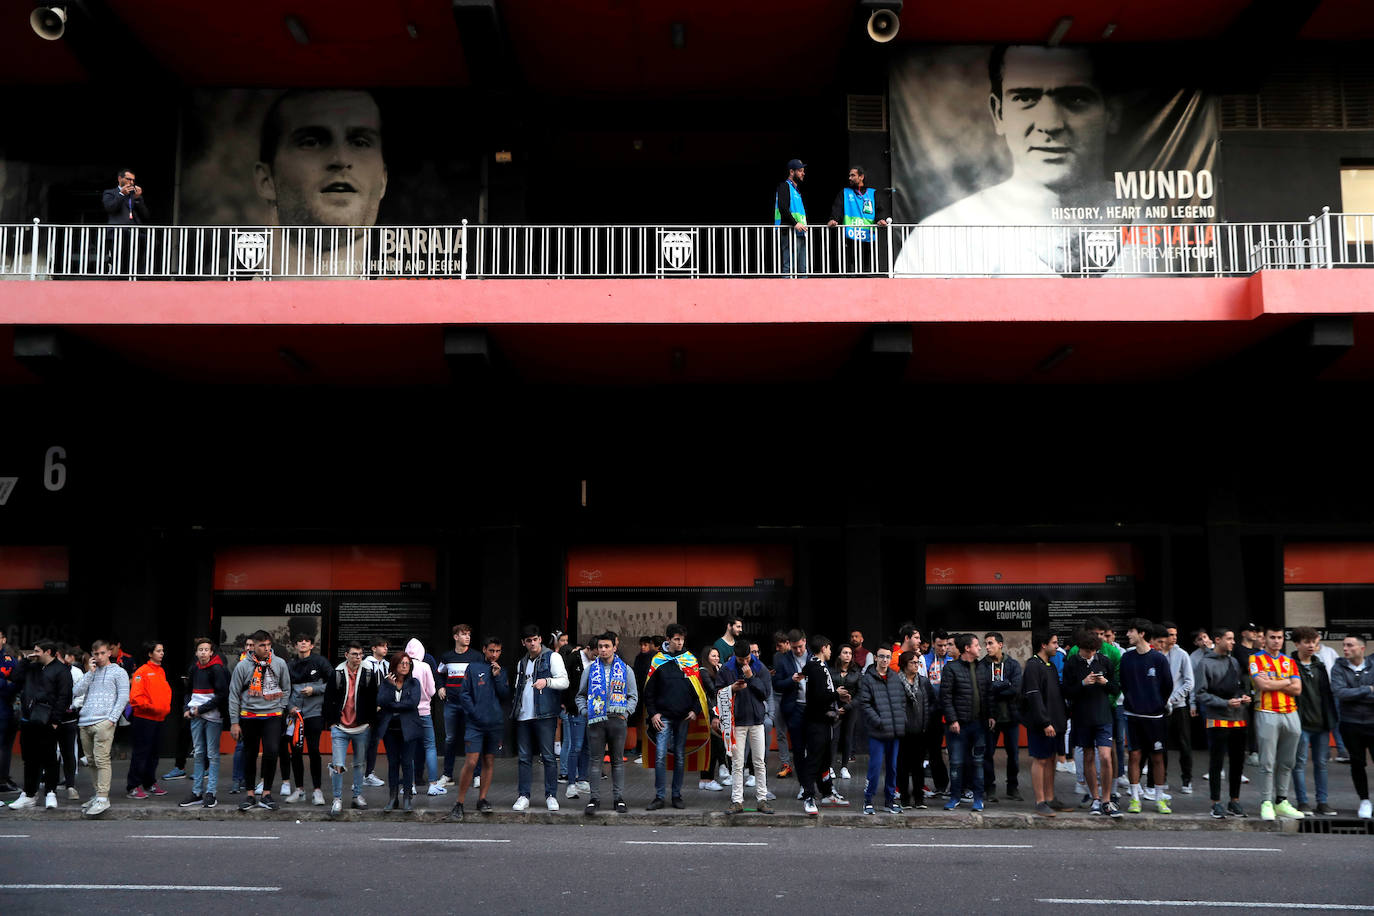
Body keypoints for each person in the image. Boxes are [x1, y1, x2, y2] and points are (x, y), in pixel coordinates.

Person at [894, 45, 1125, 276]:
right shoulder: (937, 240)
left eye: (1075, 99)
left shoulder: (1153, 221)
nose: (1050, 124)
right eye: (1025, 98)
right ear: (998, 113)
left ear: (1112, 111)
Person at [643, 623, 710, 809]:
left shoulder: (690, 660)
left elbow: (699, 690)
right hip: (663, 716)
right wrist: (653, 713)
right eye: (676, 639)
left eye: (682, 640)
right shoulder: (657, 660)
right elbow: (649, 691)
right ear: (668, 640)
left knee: (680, 756)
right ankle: (659, 796)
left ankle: (676, 795)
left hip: (683, 717)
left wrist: (695, 710)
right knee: (660, 756)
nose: (680, 643)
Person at [229, 629, 291, 811]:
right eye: (261, 645)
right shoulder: (242, 666)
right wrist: (234, 722)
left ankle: (266, 794)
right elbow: (233, 694)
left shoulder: (279, 663)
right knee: (250, 754)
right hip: (249, 716)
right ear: (253, 646)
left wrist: (281, 707)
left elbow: (286, 688)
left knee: (272, 752)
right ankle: (249, 795)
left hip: (272, 716)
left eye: (268, 645)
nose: (265, 648)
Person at [577, 633, 639, 815]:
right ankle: (594, 799)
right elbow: (580, 694)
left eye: (607, 646)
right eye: (600, 646)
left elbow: (633, 695)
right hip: (596, 720)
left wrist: (626, 713)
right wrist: (585, 712)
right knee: (595, 761)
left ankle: (618, 798)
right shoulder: (590, 670)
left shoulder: (625, 669)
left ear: (614, 648)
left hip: (617, 720)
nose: (603, 650)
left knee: (617, 761)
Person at [1193, 628, 1252, 818]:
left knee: (1237, 762)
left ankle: (1234, 801)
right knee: (1216, 762)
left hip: (1238, 717)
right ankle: (1215, 802)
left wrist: (1243, 697)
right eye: (1229, 639)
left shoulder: (1234, 661)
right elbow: (1200, 694)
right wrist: (1224, 702)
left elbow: (1237, 687)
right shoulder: (1204, 663)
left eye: (1234, 639)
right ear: (1217, 640)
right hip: (1216, 718)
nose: (1233, 642)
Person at [450, 636, 510, 821]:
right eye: (491, 650)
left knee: (489, 762)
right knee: (471, 762)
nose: (494, 654)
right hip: (475, 724)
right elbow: (464, 694)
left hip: (494, 724)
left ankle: (482, 798)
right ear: (484, 649)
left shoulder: (501, 671)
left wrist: (498, 677)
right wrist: (475, 714)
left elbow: (505, 695)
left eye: (498, 651)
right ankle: (459, 802)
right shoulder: (473, 668)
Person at [8, 641, 73, 810]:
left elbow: (64, 697)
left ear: (48, 651)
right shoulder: (32, 667)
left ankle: (51, 792)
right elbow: (15, 677)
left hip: (48, 721)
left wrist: (55, 722)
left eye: (37, 651)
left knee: (50, 758)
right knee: (29, 759)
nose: (34, 654)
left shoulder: (62, 670)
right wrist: (25, 660)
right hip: (28, 720)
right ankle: (30, 794)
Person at [1063, 629, 1121, 818]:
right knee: (1088, 756)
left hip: (1103, 715)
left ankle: (1106, 799)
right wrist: (1082, 683)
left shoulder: (1104, 661)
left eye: (1094, 651)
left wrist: (1104, 682)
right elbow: (1066, 691)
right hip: (1082, 716)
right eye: (1088, 651)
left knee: (1105, 756)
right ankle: (1095, 798)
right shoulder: (1071, 663)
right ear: (1081, 648)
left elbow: (1116, 689)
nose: (1091, 654)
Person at [1250, 626, 1305, 821]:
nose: (1276, 641)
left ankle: (1281, 801)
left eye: (1279, 637)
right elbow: (1262, 685)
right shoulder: (1255, 659)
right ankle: (1266, 801)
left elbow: (1298, 689)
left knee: (1288, 761)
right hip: (1267, 712)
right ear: (1264, 639)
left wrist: (1275, 680)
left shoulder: (1289, 661)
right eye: (1272, 637)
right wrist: (1285, 681)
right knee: (1267, 761)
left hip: (1291, 712)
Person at [512, 625, 568, 812]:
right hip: (523, 715)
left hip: (545, 714)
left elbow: (564, 681)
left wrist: (547, 681)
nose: (533, 643)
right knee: (524, 758)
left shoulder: (552, 656)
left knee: (549, 756)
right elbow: (517, 688)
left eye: (535, 639)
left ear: (540, 639)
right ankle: (523, 795)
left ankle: (551, 795)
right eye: (529, 640)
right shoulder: (521, 662)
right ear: (523, 643)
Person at [1119, 620, 1174, 814]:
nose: (1127, 634)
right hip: (1133, 715)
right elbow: (1124, 683)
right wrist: (1133, 701)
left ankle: (1159, 798)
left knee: (1157, 757)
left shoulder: (1158, 659)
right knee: (1134, 755)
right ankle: (1135, 798)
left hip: (1155, 716)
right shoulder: (1126, 658)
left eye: (1131, 631)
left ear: (1141, 634)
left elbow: (1168, 685)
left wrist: (1158, 703)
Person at [71, 640, 128, 817]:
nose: (99, 657)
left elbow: (124, 696)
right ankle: (97, 795)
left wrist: (112, 719)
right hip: (85, 720)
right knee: (91, 761)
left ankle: (103, 797)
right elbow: (76, 691)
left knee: (102, 759)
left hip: (104, 721)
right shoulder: (91, 672)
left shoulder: (119, 671)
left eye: (102, 653)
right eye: (96, 654)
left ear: (109, 652)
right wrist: (89, 672)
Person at [322, 641, 379, 816]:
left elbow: (373, 698)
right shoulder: (337, 673)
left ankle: (357, 795)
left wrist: (369, 722)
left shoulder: (368, 673)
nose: (358, 657)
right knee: (338, 764)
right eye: (354, 654)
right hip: (340, 726)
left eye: (360, 654)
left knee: (359, 764)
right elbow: (328, 698)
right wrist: (331, 722)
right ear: (346, 655)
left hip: (361, 726)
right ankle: (337, 799)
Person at [716, 640, 771, 814]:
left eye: (748, 658)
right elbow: (718, 692)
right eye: (742, 660)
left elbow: (765, 693)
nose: (746, 662)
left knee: (759, 762)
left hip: (756, 720)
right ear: (735, 657)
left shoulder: (760, 667)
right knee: (737, 763)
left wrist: (751, 678)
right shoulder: (727, 669)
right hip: (737, 721)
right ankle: (737, 800)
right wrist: (732, 688)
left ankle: (762, 799)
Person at [1289, 626, 1339, 816]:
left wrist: (1331, 720)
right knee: (1299, 763)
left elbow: (1327, 694)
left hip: (1321, 722)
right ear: (1297, 644)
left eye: (1314, 642)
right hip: (1300, 722)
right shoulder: (1290, 664)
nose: (1311, 646)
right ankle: (1302, 802)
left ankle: (1322, 802)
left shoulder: (1319, 665)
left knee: (1321, 763)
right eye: (1307, 642)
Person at [1021, 630, 1070, 817]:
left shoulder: (1049, 665)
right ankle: (1040, 801)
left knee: (1050, 759)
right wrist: (1044, 722)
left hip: (1054, 723)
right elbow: (1034, 696)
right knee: (1040, 759)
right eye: (1054, 643)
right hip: (1041, 724)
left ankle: (1050, 798)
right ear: (1043, 644)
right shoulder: (1033, 666)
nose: (1057, 647)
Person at [940, 633, 991, 811]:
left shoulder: (982, 668)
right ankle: (955, 796)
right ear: (967, 648)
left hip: (978, 725)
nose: (980, 648)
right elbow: (945, 697)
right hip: (958, 725)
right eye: (977, 645)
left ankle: (978, 798)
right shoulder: (951, 668)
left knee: (978, 762)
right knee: (956, 762)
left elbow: (988, 694)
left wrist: (990, 716)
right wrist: (953, 719)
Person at [798, 636, 847, 814]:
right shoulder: (816, 667)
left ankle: (827, 792)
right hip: (816, 722)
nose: (831, 652)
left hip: (824, 720)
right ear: (824, 648)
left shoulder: (817, 666)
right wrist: (836, 694)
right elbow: (818, 696)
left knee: (825, 760)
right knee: (814, 759)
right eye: (829, 649)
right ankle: (808, 797)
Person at [179, 637, 229, 809]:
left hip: (213, 717)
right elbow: (188, 692)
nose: (203, 653)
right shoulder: (194, 669)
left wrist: (200, 710)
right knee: (199, 753)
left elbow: (222, 695)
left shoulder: (217, 669)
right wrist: (187, 708)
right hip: (195, 715)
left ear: (211, 652)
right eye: (200, 649)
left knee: (213, 755)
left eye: (206, 649)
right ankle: (197, 792)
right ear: (196, 652)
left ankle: (211, 793)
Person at [284, 633, 332, 806]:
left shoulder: (320, 662)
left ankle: (317, 790)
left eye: (307, 641)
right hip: (295, 715)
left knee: (313, 750)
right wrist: (290, 707)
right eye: (300, 641)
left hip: (314, 713)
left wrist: (315, 689)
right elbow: (284, 690)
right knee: (295, 752)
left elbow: (333, 682)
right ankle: (299, 789)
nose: (303, 643)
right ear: (295, 646)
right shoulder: (289, 665)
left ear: (312, 645)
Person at [1331, 634, 1374, 820]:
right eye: (1344, 645)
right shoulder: (1339, 667)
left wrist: (1354, 694)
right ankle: (1364, 800)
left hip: (1373, 723)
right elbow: (1340, 693)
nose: (1345, 649)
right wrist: (1368, 690)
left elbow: (1349, 694)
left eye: (1350, 645)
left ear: (1362, 648)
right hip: (1350, 723)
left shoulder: (1372, 666)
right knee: (1357, 763)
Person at [858, 646, 903, 814]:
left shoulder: (895, 678)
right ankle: (868, 800)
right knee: (875, 768)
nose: (885, 660)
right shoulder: (868, 679)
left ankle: (889, 801)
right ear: (875, 658)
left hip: (894, 731)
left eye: (888, 657)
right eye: (882, 656)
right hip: (877, 731)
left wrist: (901, 720)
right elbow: (865, 704)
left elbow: (901, 702)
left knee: (892, 767)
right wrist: (879, 721)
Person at [437, 623, 482, 790]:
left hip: (470, 705)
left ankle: (477, 775)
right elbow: (439, 673)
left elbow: (481, 678)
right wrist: (440, 687)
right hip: (452, 705)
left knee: (472, 739)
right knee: (450, 739)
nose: (467, 637)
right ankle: (447, 775)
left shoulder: (476, 657)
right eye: (464, 634)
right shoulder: (447, 656)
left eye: (469, 634)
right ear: (456, 637)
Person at [980, 631, 1023, 802]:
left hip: (1011, 716)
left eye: (990, 643)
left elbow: (1016, 689)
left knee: (1013, 753)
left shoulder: (1012, 664)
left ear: (1000, 644)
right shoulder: (982, 665)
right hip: (991, 717)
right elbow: (984, 689)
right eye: (986, 644)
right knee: (987, 753)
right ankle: (989, 788)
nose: (987, 647)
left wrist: (997, 687)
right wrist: (1004, 684)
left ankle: (1013, 787)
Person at [376, 651, 421, 812]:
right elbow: (381, 701)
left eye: (407, 663)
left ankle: (407, 798)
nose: (404, 666)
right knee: (393, 763)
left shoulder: (414, 683)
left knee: (408, 763)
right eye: (401, 663)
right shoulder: (386, 682)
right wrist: (391, 687)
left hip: (408, 729)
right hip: (390, 729)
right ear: (394, 665)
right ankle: (392, 797)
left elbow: (412, 704)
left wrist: (392, 705)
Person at [126, 641, 171, 800]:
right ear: (150, 654)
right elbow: (136, 698)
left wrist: (162, 709)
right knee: (141, 753)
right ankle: (133, 786)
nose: (162, 653)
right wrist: (153, 707)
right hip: (144, 719)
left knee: (154, 754)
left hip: (158, 718)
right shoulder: (142, 672)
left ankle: (149, 783)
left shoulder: (160, 671)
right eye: (158, 651)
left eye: (162, 650)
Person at [894, 648, 935, 811]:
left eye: (918, 662)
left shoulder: (923, 681)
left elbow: (931, 702)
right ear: (904, 664)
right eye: (913, 662)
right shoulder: (896, 681)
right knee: (903, 766)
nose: (917, 665)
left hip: (920, 730)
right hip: (903, 731)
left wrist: (927, 720)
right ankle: (904, 798)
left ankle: (919, 798)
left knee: (918, 767)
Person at [1157, 621, 1195, 797]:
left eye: (1175, 634)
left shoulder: (1182, 654)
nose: (1174, 637)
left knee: (1184, 744)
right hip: (1159, 707)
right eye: (1170, 634)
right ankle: (1161, 778)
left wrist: (1172, 699)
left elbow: (1189, 682)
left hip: (1179, 706)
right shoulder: (1156, 654)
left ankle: (1186, 779)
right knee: (1160, 745)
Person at [403, 638, 441, 797]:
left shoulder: (402, 665)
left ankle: (409, 785)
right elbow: (432, 691)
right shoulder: (425, 666)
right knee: (430, 747)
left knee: (408, 749)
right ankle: (433, 784)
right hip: (424, 712)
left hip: (407, 713)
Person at [922, 630, 954, 796]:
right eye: (940, 645)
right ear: (933, 644)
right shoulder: (925, 660)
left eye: (946, 645)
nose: (943, 648)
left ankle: (958, 787)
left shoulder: (952, 660)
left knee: (955, 751)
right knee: (934, 751)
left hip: (951, 711)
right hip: (932, 711)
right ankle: (941, 785)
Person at [561, 640, 593, 797]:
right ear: (588, 648)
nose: (595, 656)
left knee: (587, 745)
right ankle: (571, 782)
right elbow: (566, 681)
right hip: (576, 708)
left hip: (592, 709)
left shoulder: (597, 661)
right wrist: (566, 703)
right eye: (594, 653)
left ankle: (583, 779)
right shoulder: (574, 659)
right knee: (576, 746)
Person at [830, 644, 863, 779]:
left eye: (850, 653)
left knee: (848, 737)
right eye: (845, 652)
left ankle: (844, 767)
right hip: (835, 706)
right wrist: (836, 701)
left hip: (851, 708)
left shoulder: (856, 672)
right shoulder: (831, 671)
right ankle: (830, 767)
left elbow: (861, 694)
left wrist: (847, 706)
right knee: (834, 737)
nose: (848, 655)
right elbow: (828, 689)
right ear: (839, 655)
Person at [697, 646, 727, 793]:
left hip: (714, 712)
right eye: (713, 656)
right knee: (713, 745)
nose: (716, 658)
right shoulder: (703, 671)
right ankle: (708, 778)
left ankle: (706, 779)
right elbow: (714, 690)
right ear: (706, 657)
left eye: (717, 656)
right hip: (707, 714)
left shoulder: (713, 671)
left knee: (713, 746)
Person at [362, 637, 390, 787]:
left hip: (383, 709)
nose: (385, 649)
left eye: (386, 646)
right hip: (368, 709)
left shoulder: (387, 665)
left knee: (374, 741)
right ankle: (361, 775)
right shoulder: (365, 664)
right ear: (373, 648)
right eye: (382, 646)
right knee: (364, 741)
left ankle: (369, 773)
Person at [774, 159, 808, 277]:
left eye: (803, 171)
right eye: (800, 171)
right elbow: (783, 208)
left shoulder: (796, 190)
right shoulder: (784, 186)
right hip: (789, 232)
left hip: (799, 232)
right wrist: (795, 223)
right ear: (791, 172)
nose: (803, 173)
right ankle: (786, 293)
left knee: (802, 270)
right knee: (789, 268)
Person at [768, 630, 795, 778]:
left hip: (793, 697)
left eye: (780, 646)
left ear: (787, 643)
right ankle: (786, 764)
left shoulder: (796, 656)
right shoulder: (777, 656)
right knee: (780, 732)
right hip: (778, 697)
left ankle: (803, 763)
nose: (777, 649)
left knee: (799, 731)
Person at [0, 631, 20, 795]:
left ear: (3, 639)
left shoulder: (9, 660)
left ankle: (3, 779)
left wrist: (5, 685)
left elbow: (17, 683)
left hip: (6, 709)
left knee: (6, 748)